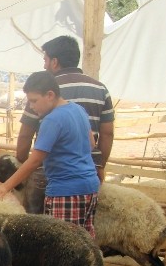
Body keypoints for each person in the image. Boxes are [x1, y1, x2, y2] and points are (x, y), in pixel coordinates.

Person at [0, 71, 99, 235]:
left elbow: (35, 160)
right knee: (84, 241)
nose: (32, 107)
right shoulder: (78, 110)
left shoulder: (52, 120)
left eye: (34, 101)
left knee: (63, 244)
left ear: (50, 95)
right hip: (90, 187)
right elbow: (91, 144)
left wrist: (5, 186)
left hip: (66, 191)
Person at [15, 35, 115, 213]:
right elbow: (107, 133)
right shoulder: (100, 88)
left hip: (52, 175)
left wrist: (23, 162)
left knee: (35, 228)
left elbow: (25, 134)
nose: (44, 65)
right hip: (88, 172)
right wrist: (99, 164)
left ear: (55, 62)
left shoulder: (42, 90)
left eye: (45, 59)